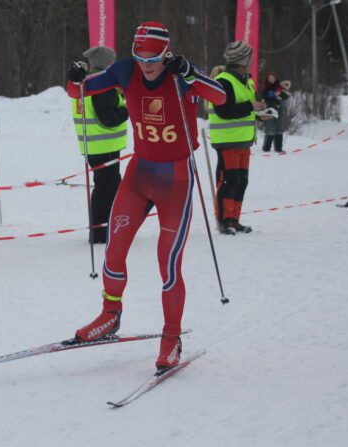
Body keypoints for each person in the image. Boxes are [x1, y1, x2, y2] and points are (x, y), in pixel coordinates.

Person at [65, 22, 226, 373]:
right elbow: (78, 92)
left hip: (176, 178)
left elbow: (220, 97)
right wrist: (73, 76)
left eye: (152, 58)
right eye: (140, 57)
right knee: (114, 247)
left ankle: (171, 337)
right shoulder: (125, 69)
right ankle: (110, 314)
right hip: (140, 174)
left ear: (165, 52)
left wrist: (190, 74)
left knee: (167, 264)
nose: (146, 65)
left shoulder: (180, 72)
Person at [72, 45, 128, 244]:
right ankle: (100, 232)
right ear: (105, 63)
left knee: (108, 187)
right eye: (111, 62)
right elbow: (109, 118)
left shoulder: (87, 82)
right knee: (106, 189)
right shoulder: (100, 85)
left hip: (98, 146)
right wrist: (128, 109)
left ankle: (106, 228)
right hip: (103, 146)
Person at [208, 41, 265, 235]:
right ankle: (224, 221)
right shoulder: (224, 81)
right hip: (227, 141)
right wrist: (251, 108)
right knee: (229, 181)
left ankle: (234, 219)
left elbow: (248, 107)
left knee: (241, 181)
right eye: (248, 56)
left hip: (243, 140)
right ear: (242, 59)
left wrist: (261, 113)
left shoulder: (246, 80)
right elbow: (224, 111)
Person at [260, 72, 290, 153]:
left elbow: (286, 96)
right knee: (270, 128)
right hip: (270, 110)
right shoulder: (266, 89)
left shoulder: (280, 87)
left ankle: (278, 148)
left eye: (273, 77)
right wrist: (274, 94)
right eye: (270, 78)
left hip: (280, 110)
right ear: (267, 79)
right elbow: (265, 97)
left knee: (279, 128)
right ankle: (266, 148)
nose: (272, 79)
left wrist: (281, 93)